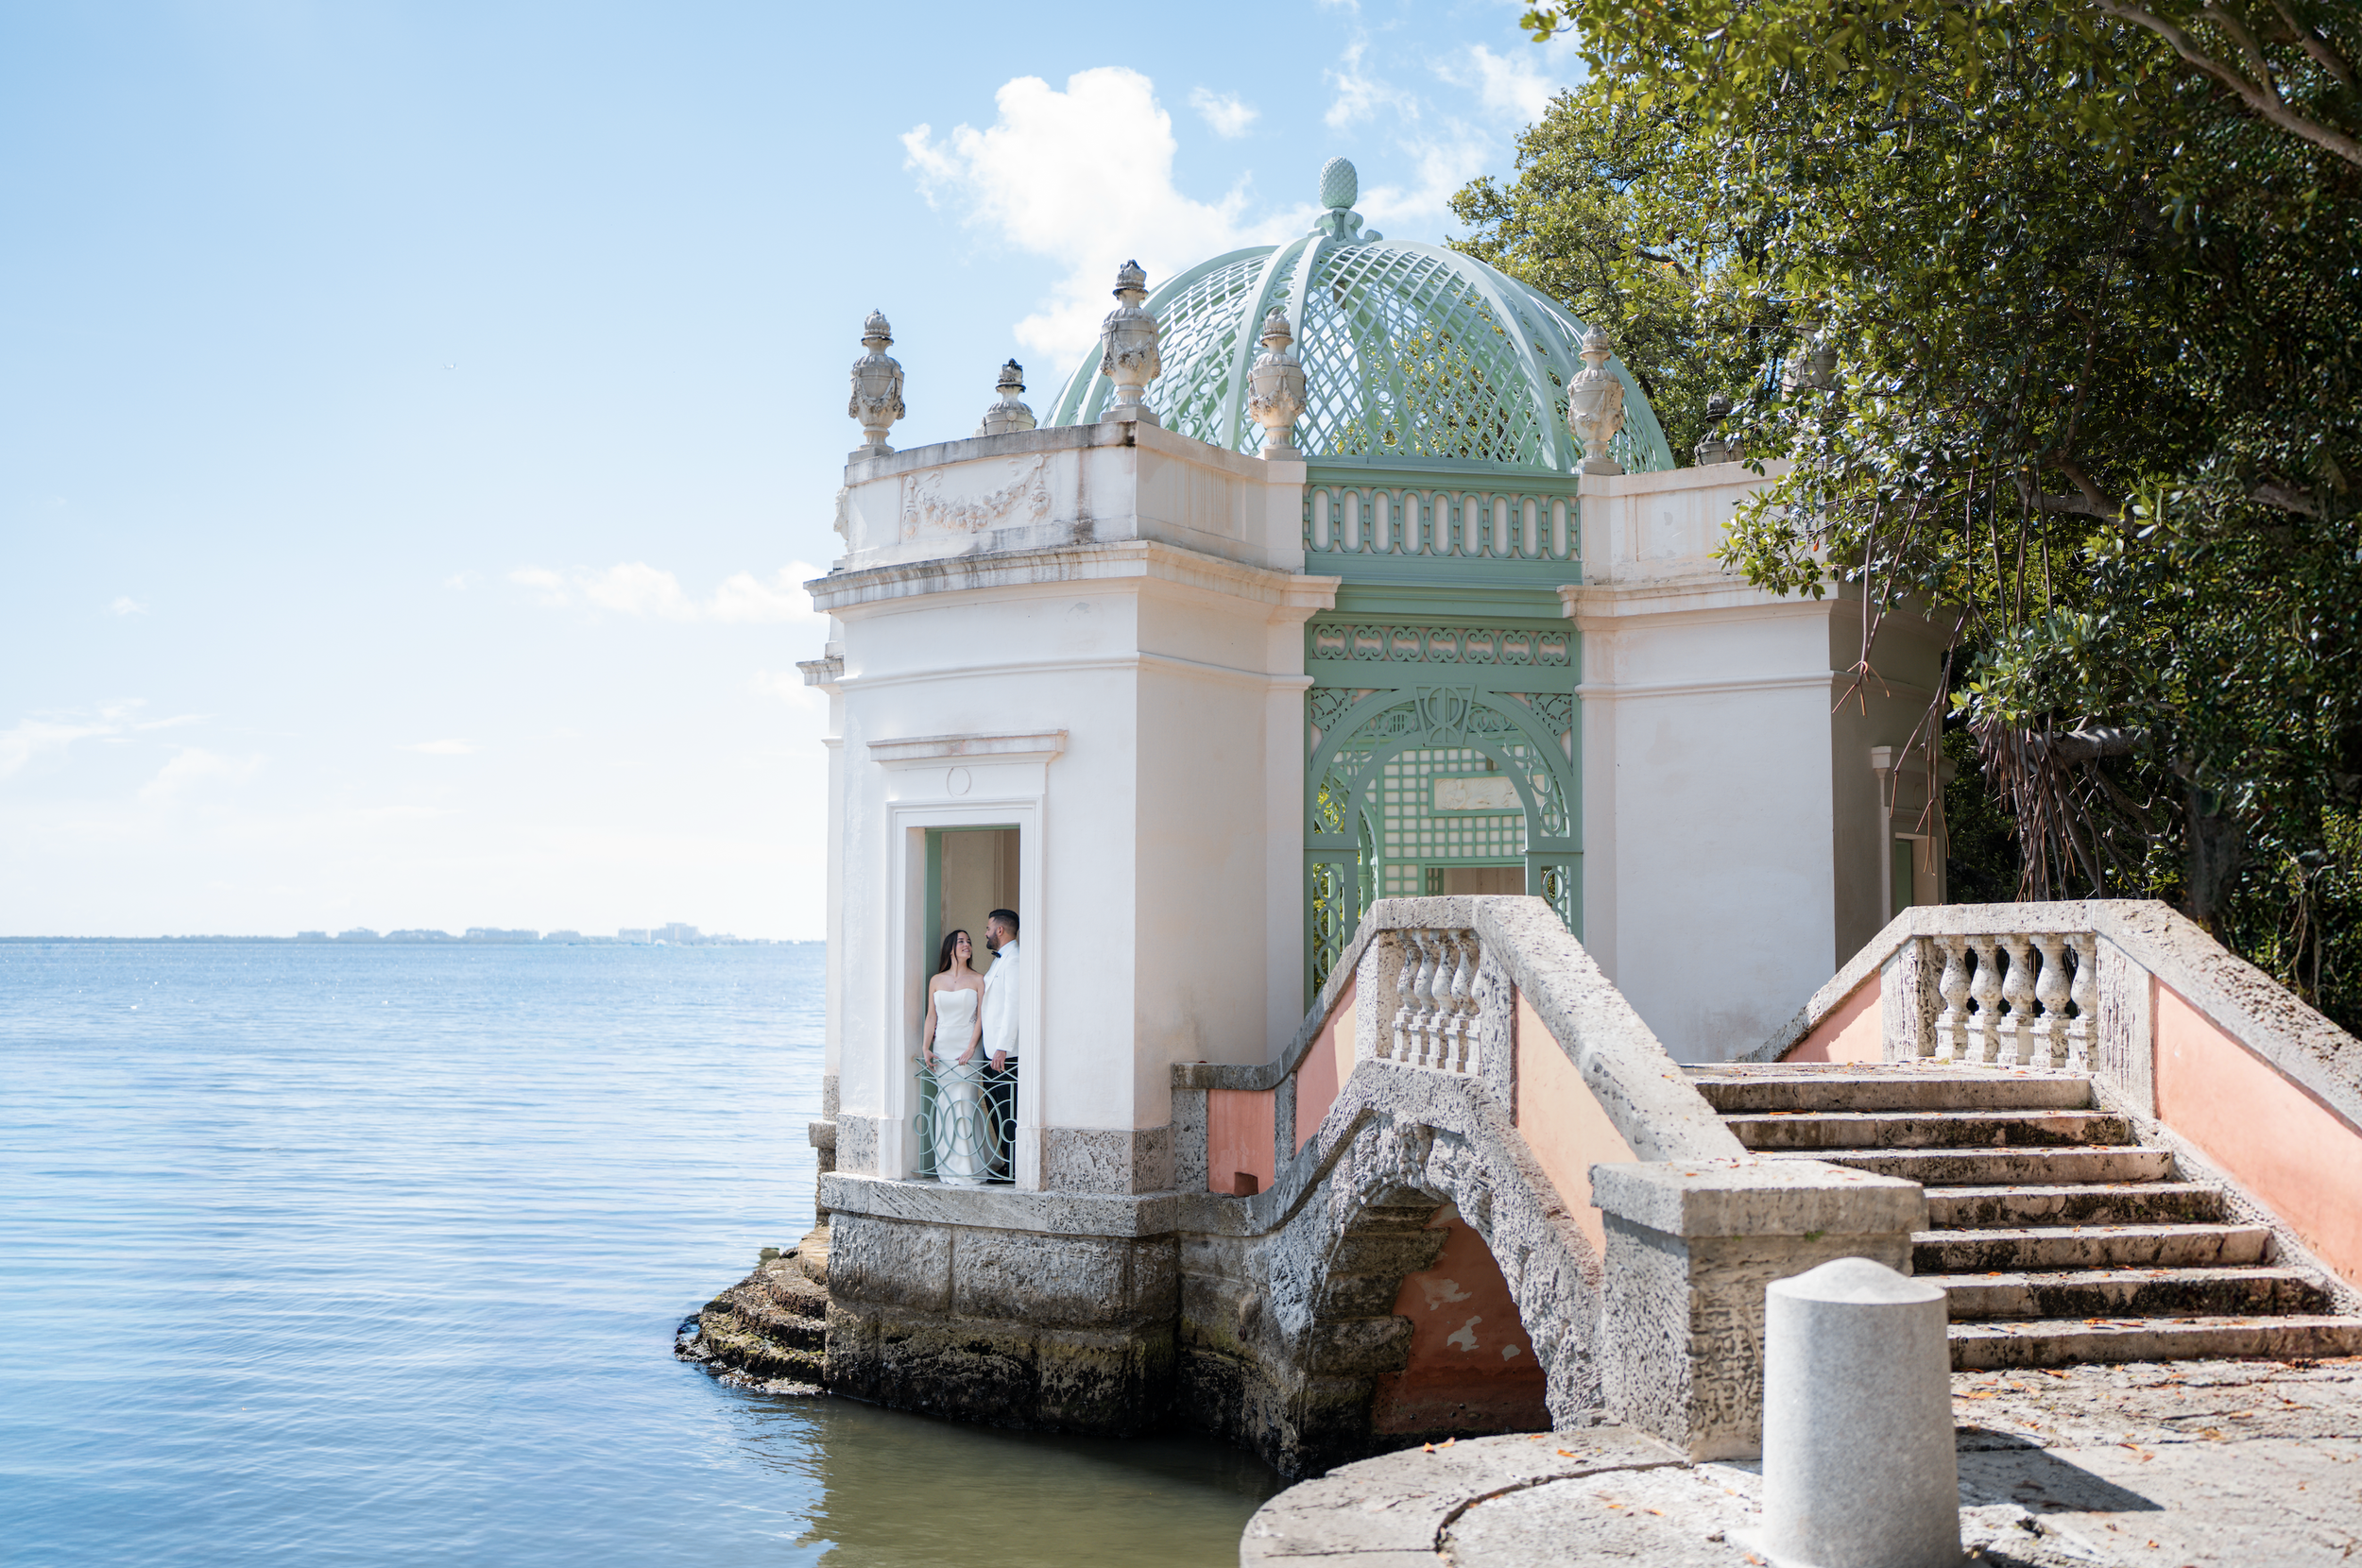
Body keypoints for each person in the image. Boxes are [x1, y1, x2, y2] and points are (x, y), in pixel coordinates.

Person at [919, 928, 992, 1184]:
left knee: (965, 1102)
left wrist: (973, 1046)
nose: (967, 945)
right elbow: (931, 1016)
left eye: (969, 942)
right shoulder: (936, 980)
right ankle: (949, 1165)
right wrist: (926, 1047)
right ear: (950, 947)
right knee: (946, 1104)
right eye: (961, 941)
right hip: (943, 1051)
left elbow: (983, 1017)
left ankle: (970, 1166)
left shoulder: (978, 979)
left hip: (967, 1049)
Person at [980, 909, 1020, 1073]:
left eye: (988, 929)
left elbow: (1014, 1005)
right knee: (992, 1099)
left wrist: (1002, 1047)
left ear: (1000, 930)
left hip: (1003, 1055)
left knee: (1004, 1098)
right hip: (991, 1050)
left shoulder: (1014, 959)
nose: (986, 934)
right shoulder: (1000, 959)